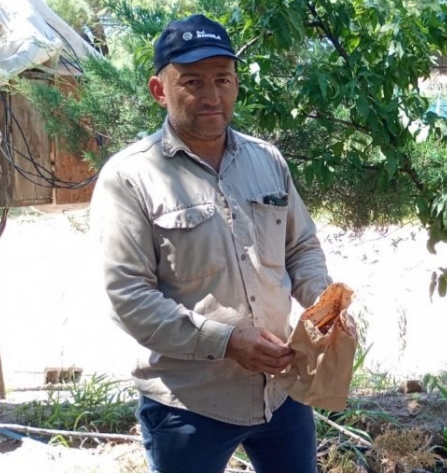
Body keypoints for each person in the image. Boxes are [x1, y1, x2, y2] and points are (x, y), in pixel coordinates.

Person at [90, 13, 331, 473]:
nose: (211, 96)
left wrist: (322, 301)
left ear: (236, 84)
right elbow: (128, 298)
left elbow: (300, 246)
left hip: (280, 392)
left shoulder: (267, 161)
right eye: (193, 82)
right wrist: (226, 341)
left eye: (222, 79)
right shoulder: (129, 178)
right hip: (188, 404)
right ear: (159, 90)